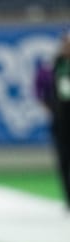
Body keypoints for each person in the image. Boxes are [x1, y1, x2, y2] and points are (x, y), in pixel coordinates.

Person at [35, 30, 70, 211]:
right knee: (64, 159)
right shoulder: (53, 66)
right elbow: (39, 88)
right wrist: (50, 107)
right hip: (62, 118)